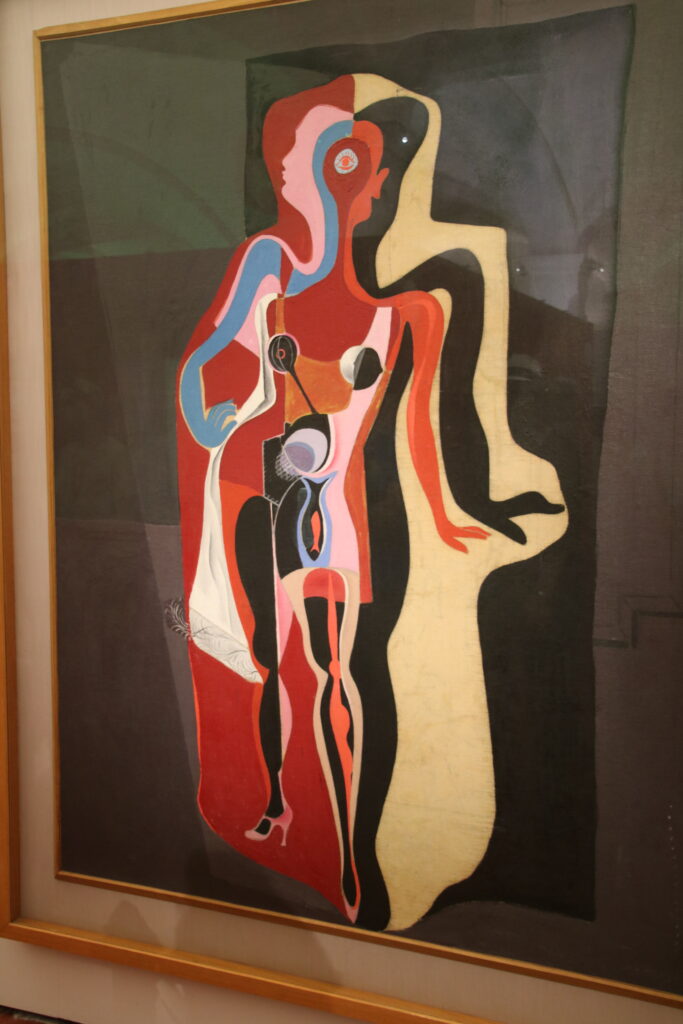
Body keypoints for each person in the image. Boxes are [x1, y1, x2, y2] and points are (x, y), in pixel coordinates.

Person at [176, 77, 488, 921]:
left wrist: (449, 512)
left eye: (374, 167)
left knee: (334, 671)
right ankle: (283, 802)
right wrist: (208, 416)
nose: (376, 185)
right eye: (356, 164)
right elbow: (204, 364)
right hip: (262, 484)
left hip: (336, 506)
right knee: (271, 660)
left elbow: (420, 439)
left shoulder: (412, 311)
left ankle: (346, 852)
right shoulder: (269, 270)